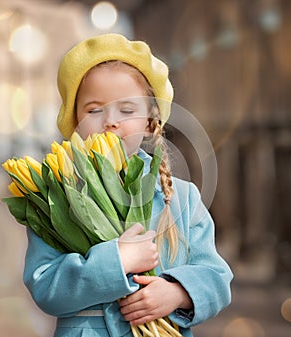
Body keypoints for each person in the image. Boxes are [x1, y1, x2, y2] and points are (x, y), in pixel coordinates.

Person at [23, 33, 233, 337]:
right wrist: (115, 261)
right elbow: (44, 286)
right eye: (94, 109)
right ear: (75, 123)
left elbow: (216, 277)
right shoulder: (55, 196)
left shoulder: (183, 197)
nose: (110, 121)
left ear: (150, 121)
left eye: (127, 109)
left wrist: (177, 293)